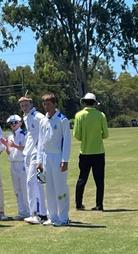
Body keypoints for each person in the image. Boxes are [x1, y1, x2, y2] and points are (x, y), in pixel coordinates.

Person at [37, 92, 72, 227]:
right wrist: (39, 161)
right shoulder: (43, 120)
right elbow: (40, 142)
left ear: (54, 104)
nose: (46, 106)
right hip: (46, 157)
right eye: (44, 104)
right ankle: (53, 217)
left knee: (60, 188)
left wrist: (65, 160)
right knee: (49, 189)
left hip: (58, 157)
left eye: (49, 104)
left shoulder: (62, 120)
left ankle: (64, 217)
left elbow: (67, 142)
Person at [73, 92, 109, 211]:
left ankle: (78, 204)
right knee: (99, 180)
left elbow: (77, 135)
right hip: (98, 152)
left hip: (84, 152)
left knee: (82, 178)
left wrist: (85, 137)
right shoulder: (101, 115)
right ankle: (99, 205)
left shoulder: (79, 115)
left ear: (84, 102)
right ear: (94, 103)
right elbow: (106, 134)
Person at [18, 96, 48, 224]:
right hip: (28, 154)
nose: (24, 107)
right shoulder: (25, 116)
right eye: (22, 106)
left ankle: (39, 214)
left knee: (34, 183)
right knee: (32, 184)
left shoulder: (38, 116)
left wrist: (41, 150)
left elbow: (47, 128)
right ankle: (38, 213)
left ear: (31, 104)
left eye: (26, 105)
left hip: (37, 154)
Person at [2, 115, 29, 220]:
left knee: (24, 188)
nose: (13, 125)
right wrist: (7, 146)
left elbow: (26, 149)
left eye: (15, 122)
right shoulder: (10, 136)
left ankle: (29, 211)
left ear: (20, 123)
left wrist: (15, 146)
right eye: (11, 123)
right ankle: (21, 212)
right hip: (13, 164)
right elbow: (9, 152)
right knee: (17, 190)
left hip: (22, 163)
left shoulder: (24, 134)